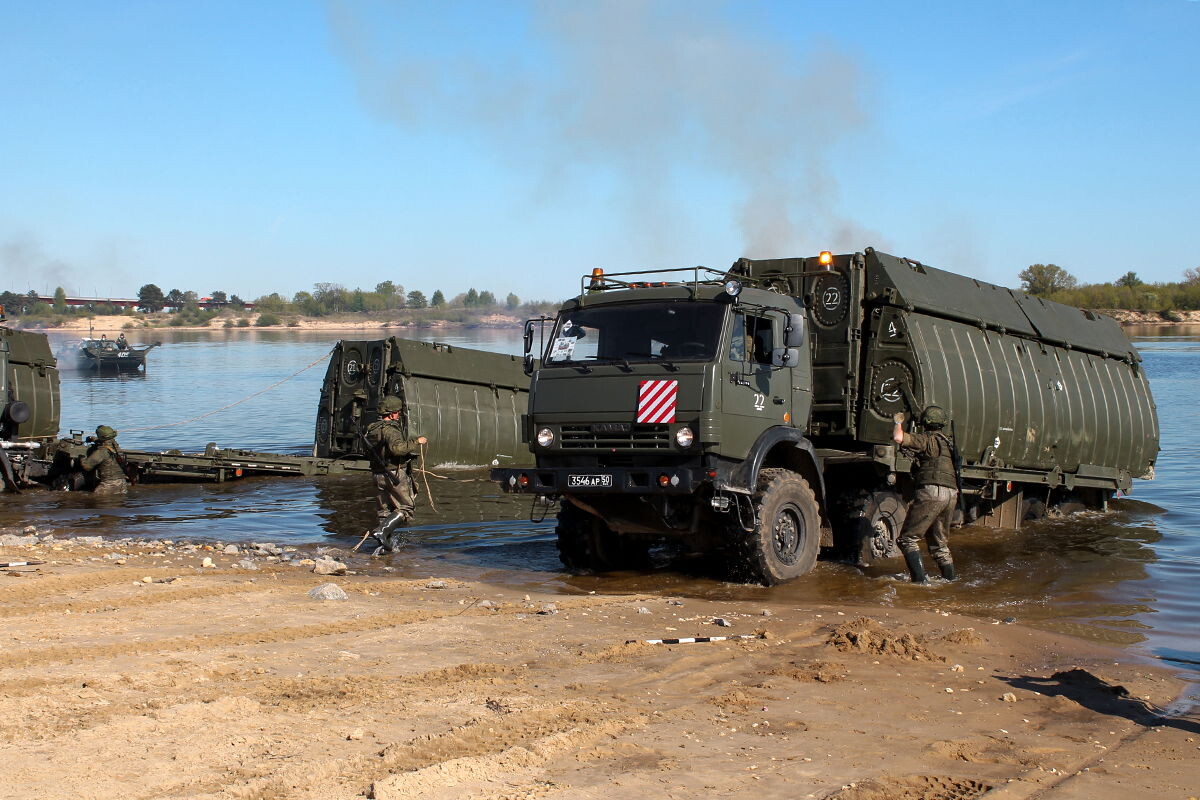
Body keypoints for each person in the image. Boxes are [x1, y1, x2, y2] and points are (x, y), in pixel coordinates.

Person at [892, 405, 958, 582]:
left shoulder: (926, 440)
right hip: (951, 494)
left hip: (931, 492)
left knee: (907, 540)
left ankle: (920, 583)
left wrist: (898, 422)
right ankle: (950, 583)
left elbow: (898, 437)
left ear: (925, 423)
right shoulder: (949, 443)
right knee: (940, 545)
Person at [365, 395, 427, 552]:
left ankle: (384, 547)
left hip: (377, 474)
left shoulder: (372, 429)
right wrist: (416, 442)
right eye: (398, 412)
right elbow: (397, 449)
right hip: (394, 474)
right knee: (406, 507)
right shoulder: (391, 429)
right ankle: (382, 532)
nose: (399, 415)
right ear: (392, 414)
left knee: (384, 511)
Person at [81, 425, 129, 494]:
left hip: (108, 485)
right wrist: (93, 439)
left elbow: (86, 466)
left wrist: (81, 457)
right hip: (122, 484)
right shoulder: (115, 445)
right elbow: (104, 441)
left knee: (95, 499)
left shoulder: (101, 451)